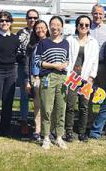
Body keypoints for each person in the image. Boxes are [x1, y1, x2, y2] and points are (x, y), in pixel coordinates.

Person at [35, 16, 69, 149]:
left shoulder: (65, 43)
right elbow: (38, 62)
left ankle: (59, 136)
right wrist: (54, 65)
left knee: (61, 108)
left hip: (62, 78)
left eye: (58, 24)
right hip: (47, 78)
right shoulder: (43, 43)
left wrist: (64, 64)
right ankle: (46, 137)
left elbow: (67, 59)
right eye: (53, 24)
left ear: (62, 27)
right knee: (46, 108)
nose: (55, 27)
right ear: (49, 27)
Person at [65, 15, 99, 142]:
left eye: (86, 25)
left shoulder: (93, 42)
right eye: (81, 24)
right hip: (72, 77)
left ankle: (82, 132)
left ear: (89, 27)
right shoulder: (70, 40)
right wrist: (67, 77)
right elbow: (67, 59)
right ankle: (68, 131)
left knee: (84, 106)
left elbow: (95, 61)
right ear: (77, 26)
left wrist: (91, 77)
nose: (84, 27)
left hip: (86, 78)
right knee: (70, 105)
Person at [88, 4, 106, 129]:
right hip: (88, 67)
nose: (98, 16)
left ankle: (103, 120)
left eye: (100, 14)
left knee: (105, 94)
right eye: (95, 13)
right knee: (87, 93)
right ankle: (88, 121)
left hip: (103, 66)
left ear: (103, 15)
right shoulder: (86, 28)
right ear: (92, 14)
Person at [25, 20, 50, 141]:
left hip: (49, 78)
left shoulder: (52, 43)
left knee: (49, 106)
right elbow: (27, 65)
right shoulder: (31, 45)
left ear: (47, 29)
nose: (40, 30)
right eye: (37, 28)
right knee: (37, 105)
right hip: (35, 78)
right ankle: (37, 129)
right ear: (34, 30)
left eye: (43, 27)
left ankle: (48, 130)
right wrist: (27, 80)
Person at [16, 9, 39, 135]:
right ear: (26, 19)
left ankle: (37, 122)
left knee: (38, 96)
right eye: (30, 17)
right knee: (24, 95)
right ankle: (24, 121)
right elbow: (16, 50)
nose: (32, 20)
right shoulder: (21, 32)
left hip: (37, 68)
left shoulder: (40, 30)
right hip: (23, 67)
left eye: (35, 17)